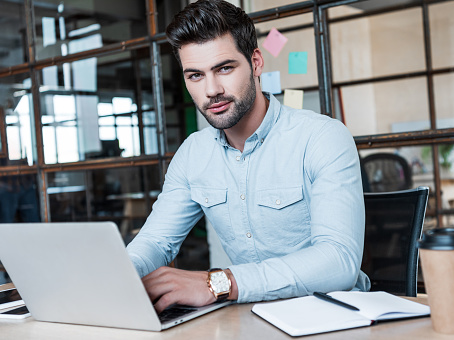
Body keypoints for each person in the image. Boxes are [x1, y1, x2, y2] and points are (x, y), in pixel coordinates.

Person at [126, 0, 369, 313]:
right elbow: (156, 242)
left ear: (256, 63)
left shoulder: (322, 138)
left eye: (224, 68)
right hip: (254, 316)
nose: (211, 90)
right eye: (195, 76)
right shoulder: (192, 154)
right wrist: (118, 276)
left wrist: (219, 283)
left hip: (335, 314)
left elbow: (339, 260)